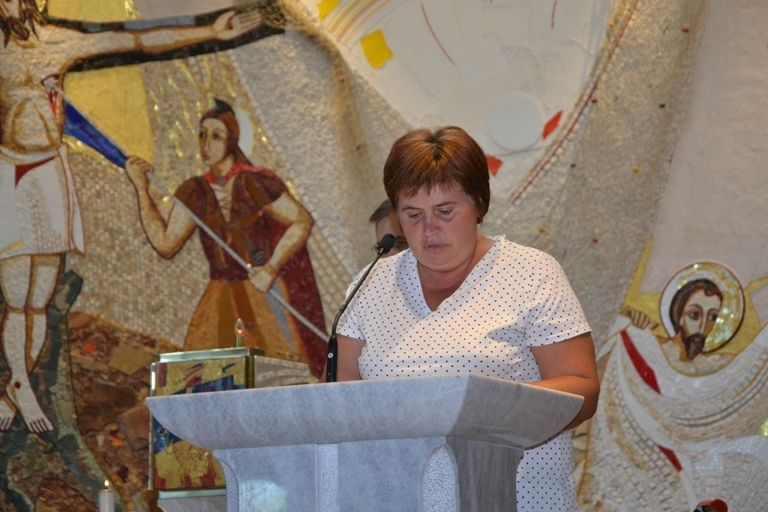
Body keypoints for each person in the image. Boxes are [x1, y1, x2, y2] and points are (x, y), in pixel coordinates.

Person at [0, 0, 261, 433]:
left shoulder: (57, 42)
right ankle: (23, 387)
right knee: (16, 295)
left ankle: (15, 387)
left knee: (39, 297)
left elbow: (135, 40)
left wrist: (211, 32)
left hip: (50, 171)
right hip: (12, 171)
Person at [333, 126, 600, 512]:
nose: (429, 229)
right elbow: (343, 403)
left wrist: (478, 410)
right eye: (413, 215)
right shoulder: (369, 284)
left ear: (478, 204)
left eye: (445, 211)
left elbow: (582, 389)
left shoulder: (532, 273)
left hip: (514, 498)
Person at [124, 99, 327, 378]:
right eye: (202, 135)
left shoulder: (254, 182)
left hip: (259, 291)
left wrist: (270, 269)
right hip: (219, 295)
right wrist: (141, 189)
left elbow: (301, 221)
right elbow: (166, 243)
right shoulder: (195, 191)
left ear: (232, 140)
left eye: (216, 136)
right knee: (199, 378)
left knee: (279, 374)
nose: (206, 144)